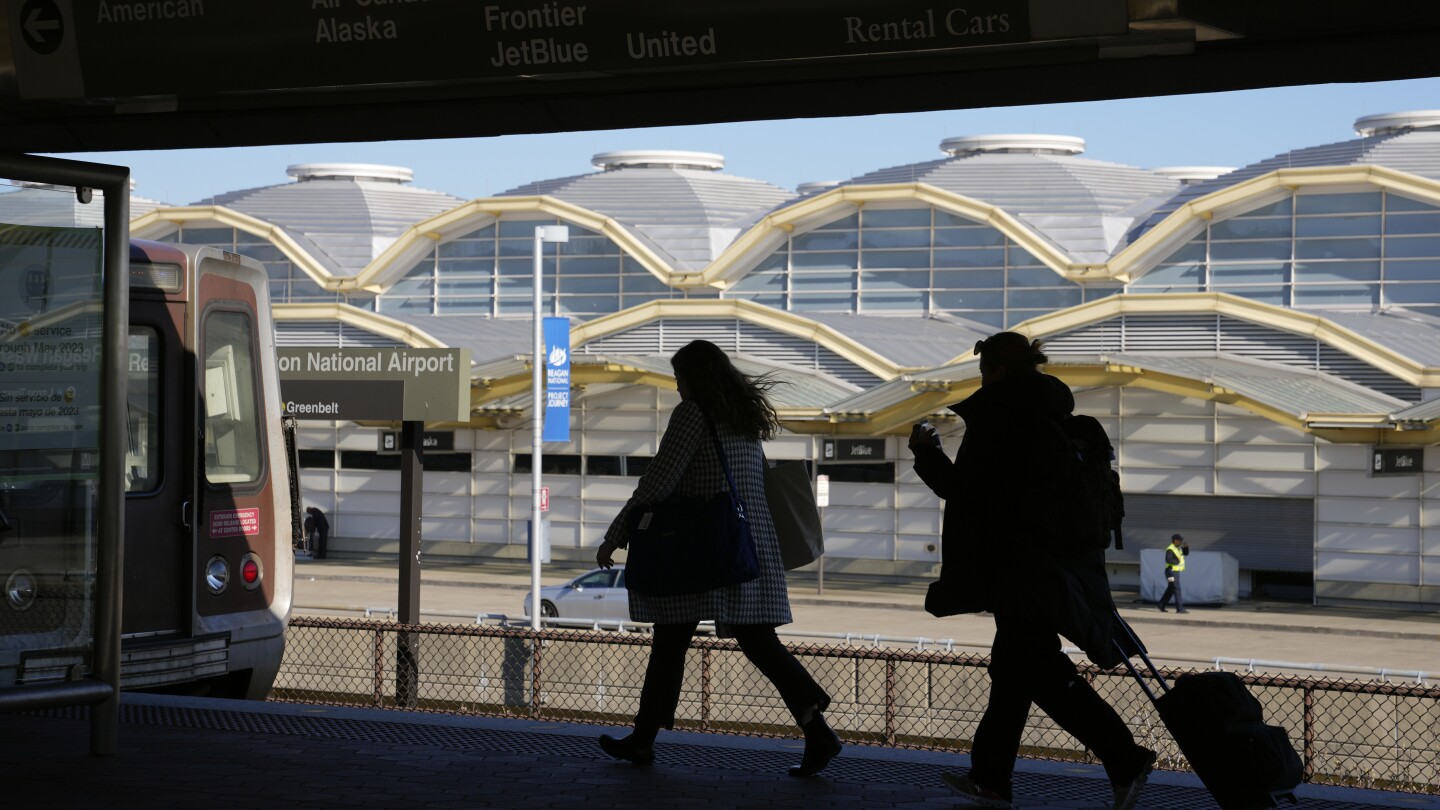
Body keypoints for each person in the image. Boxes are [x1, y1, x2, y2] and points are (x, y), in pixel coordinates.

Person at [909, 331, 1154, 810]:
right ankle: (991, 779)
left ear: (996, 370)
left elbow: (966, 492)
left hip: (1021, 568)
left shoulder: (1002, 416)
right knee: (1013, 671)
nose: (981, 378)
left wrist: (926, 452)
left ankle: (1123, 757)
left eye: (984, 370)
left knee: (1032, 668)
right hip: (1056, 565)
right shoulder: (1055, 415)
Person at [595, 339, 841, 777]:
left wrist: (615, 534)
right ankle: (816, 729)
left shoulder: (693, 413)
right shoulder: (742, 416)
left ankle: (643, 740)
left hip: (701, 547)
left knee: (670, 642)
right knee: (757, 641)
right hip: (747, 546)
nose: (676, 389)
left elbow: (659, 481)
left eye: (679, 378)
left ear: (694, 377)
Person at [1159, 533, 1189, 613]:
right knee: (1176, 589)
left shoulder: (1177, 549)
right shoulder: (1170, 549)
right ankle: (1180, 608)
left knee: (1171, 589)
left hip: (1173, 572)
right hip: (1171, 572)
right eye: (1180, 540)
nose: (1181, 542)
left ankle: (1161, 605)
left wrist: (1186, 548)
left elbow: (1185, 553)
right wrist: (1177, 561)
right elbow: (1168, 560)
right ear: (1175, 540)